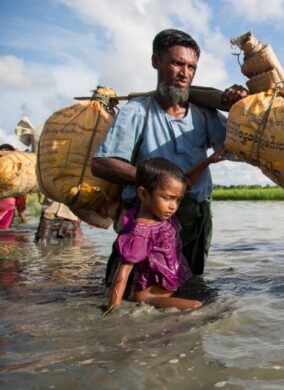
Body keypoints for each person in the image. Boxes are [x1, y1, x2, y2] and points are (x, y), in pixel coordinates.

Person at [91, 29, 248, 283]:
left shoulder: (203, 114)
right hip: (147, 219)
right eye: (177, 63)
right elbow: (101, 164)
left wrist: (242, 108)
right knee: (131, 288)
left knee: (188, 285)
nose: (185, 74)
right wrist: (158, 182)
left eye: (192, 67)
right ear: (156, 61)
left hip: (194, 220)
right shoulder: (136, 111)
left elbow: (242, 150)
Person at [104, 157, 222, 314]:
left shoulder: (161, 214)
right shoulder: (142, 231)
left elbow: (187, 183)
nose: (173, 206)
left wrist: (208, 161)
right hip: (148, 297)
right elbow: (123, 271)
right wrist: (112, 309)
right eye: (168, 198)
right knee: (198, 307)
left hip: (168, 288)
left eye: (178, 200)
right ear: (143, 194)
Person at [0, 144, 28, 229]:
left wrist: (24, 219)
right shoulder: (14, 173)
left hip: (7, 206)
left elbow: (20, 201)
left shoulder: (15, 175)